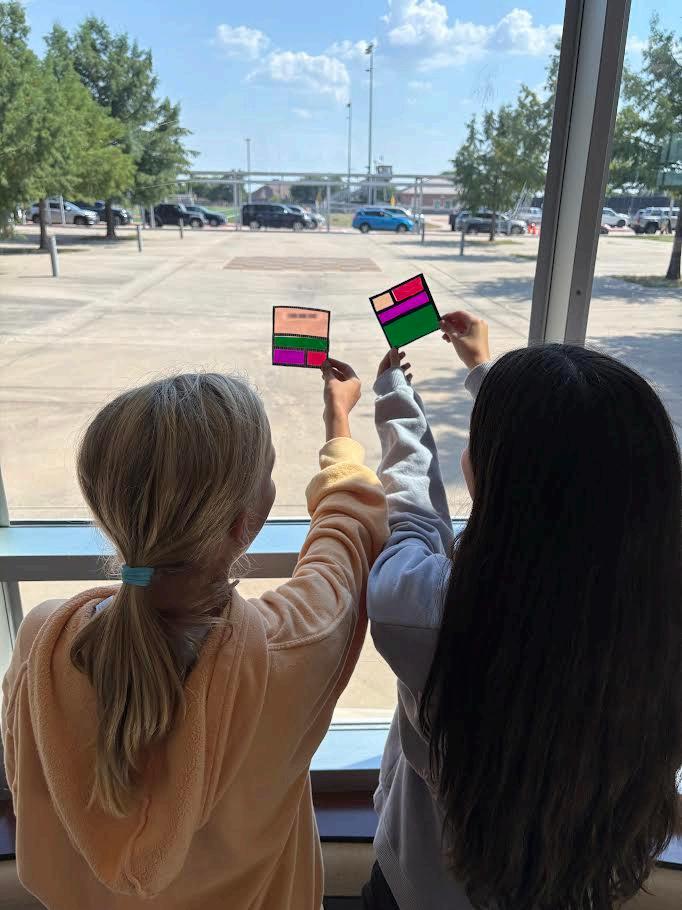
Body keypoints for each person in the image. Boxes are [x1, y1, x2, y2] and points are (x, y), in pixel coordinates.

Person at [2, 360, 388, 910]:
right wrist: (339, 428)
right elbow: (345, 541)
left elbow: (24, 781)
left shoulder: (42, 640)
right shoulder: (287, 652)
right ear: (240, 525)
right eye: (269, 472)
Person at [363, 313, 681, 910]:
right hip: (581, 884)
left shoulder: (424, 614)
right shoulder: (654, 620)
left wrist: (395, 398)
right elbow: (577, 467)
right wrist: (485, 373)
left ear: (495, 475)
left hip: (423, 892)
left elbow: (415, 520)